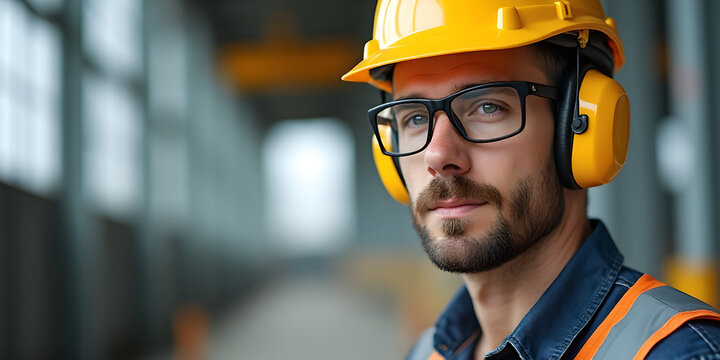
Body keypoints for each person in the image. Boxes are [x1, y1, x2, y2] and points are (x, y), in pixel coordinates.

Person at [342, 1, 720, 359]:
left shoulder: (678, 352)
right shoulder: (428, 352)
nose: (438, 156)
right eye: (415, 118)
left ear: (581, 128)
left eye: (488, 107)